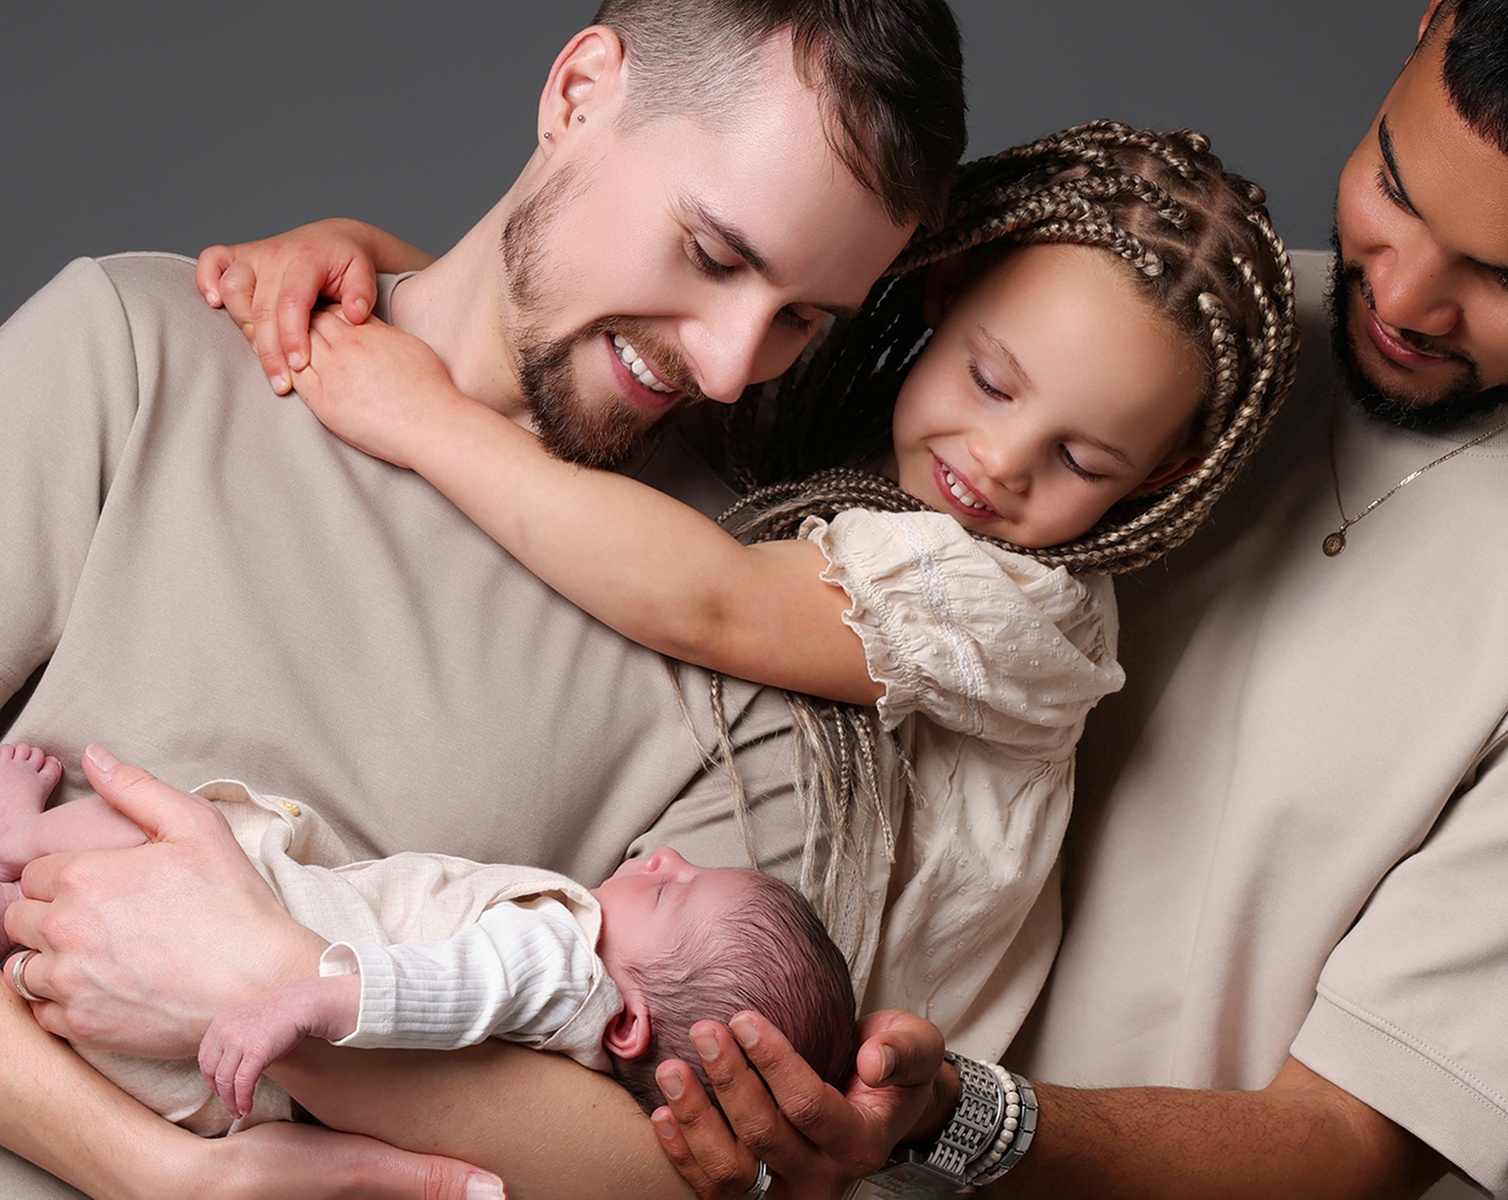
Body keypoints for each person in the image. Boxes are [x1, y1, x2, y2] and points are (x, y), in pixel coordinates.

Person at [628, 2, 1508, 1198]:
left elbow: (1358, 1143)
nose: (1404, 297)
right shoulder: (1168, 323)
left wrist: (948, 1118)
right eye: (1398, 194)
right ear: (1425, 26)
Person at [0, 1, 964, 1197]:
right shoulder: (138, 353)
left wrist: (268, 975)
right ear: (577, 96)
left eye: (800, 322)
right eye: (715, 255)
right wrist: (156, 1172)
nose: (725, 365)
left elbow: (677, 1179)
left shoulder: (752, 649)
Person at [261, 118, 1296, 1059]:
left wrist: (422, 418)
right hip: (635, 983)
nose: (999, 461)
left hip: (800, 1093)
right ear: (948, 287)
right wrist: (370, 260)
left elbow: (712, 600)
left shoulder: (1022, 612)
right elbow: (618, 337)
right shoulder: (841, 423)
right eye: (990, 383)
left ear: (1157, 476)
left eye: (1081, 460)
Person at [0, 742, 854, 1135]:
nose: (665, 859)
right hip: (219, 1091)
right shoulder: (568, 1071)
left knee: (142, 832)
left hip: (274, 959)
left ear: (629, 1025)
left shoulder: (560, 963)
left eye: (673, 894)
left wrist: (303, 1002)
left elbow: (449, 988)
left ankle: (17, 842)